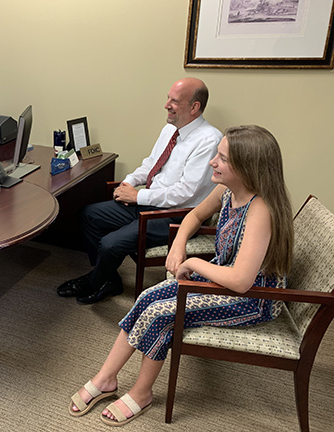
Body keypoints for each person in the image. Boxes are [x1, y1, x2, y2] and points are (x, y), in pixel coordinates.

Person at [68, 125, 294, 426]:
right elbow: (194, 216)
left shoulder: (260, 210)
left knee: (162, 314)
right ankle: (106, 378)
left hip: (253, 298)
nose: (213, 162)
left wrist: (194, 264)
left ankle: (142, 392)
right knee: (149, 296)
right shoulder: (228, 190)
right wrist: (177, 247)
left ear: (247, 168)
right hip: (223, 279)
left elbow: (241, 281)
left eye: (223, 159)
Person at [58, 77, 223, 304]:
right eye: (168, 98)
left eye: (174, 101)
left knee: (110, 243)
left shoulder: (209, 139)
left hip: (178, 216)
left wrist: (138, 196)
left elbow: (187, 192)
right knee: (89, 215)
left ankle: (94, 282)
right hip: (149, 202)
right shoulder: (170, 129)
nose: (166, 105)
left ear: (194, 107)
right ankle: (108, 279)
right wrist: (128, 183)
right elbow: (151, 163)